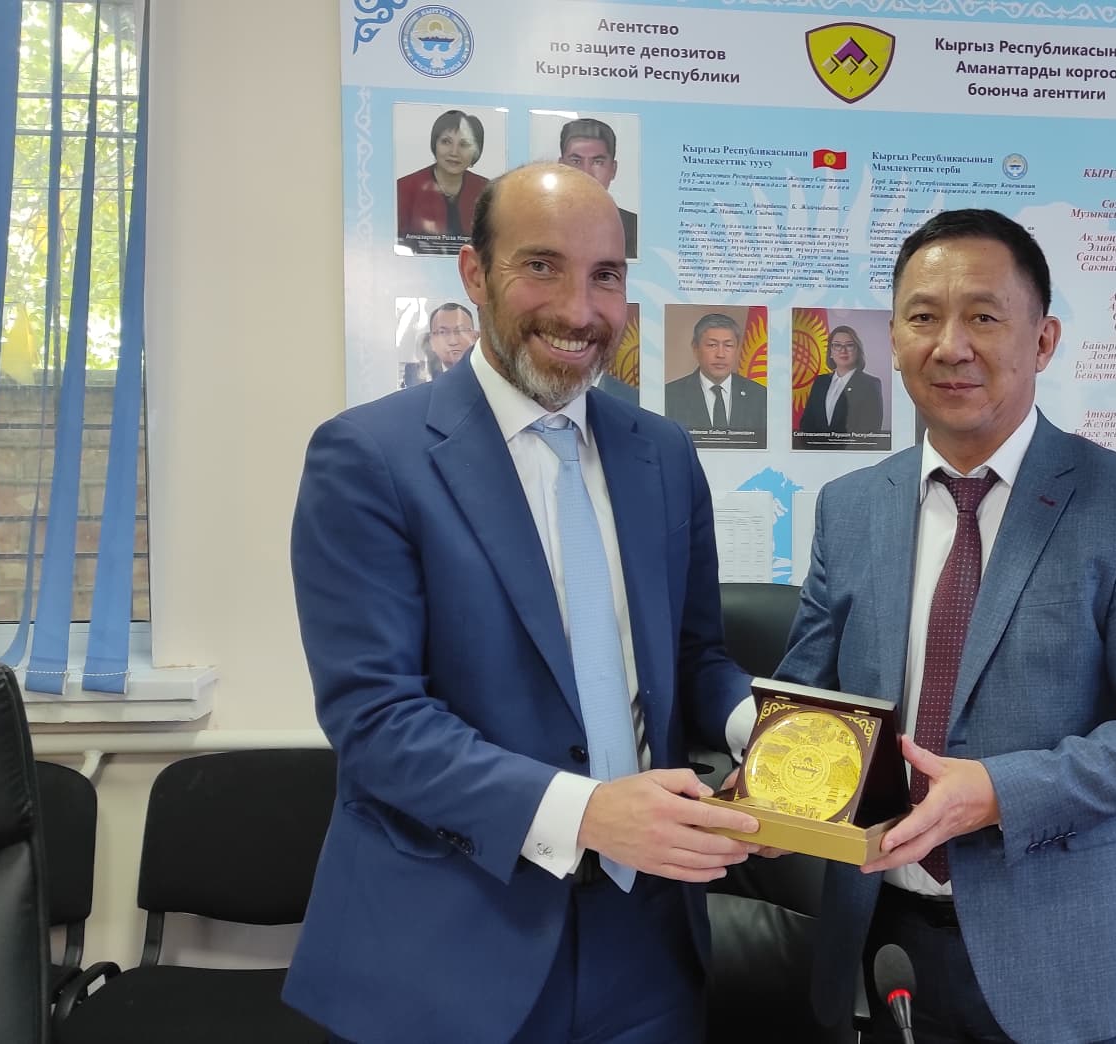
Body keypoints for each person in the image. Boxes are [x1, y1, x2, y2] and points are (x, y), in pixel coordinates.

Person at [288, 164, 763, 1044]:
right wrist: (588, 813)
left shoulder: (662, 453)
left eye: (606, 276)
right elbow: (377, 719)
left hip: (649, 940)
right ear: (474, 274)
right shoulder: (370, 458)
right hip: (450, 945)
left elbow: (696, 655)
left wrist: (766, 740)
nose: (579, 310)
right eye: (542, 266)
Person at [773, 208, 1116, 1043]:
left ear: (1043, 340)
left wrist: (1000, 793)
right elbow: (811, 699)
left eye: (983, 316)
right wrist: (775, 793)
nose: (951, 346)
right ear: (894, 338)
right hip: (885, 951)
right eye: (923, 317)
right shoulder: (850, 508)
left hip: (1074, 961)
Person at [397, 109, 489, 254]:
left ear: (476, 151)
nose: (454, 152)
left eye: (464, 144)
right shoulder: (404, 188)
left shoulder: (487, 191)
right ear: (435, 144)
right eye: (446, 142)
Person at [662, 312, 766, 436]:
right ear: (695, 348)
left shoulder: (760, 396)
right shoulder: (669, 396)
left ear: (737, 349)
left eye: (728, 345)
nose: (720, 354)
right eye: (712, 345)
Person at [559, 117, 638, 256]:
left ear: (613, 169)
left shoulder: (634, 227)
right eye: (576, 161)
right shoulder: (539, 223)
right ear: (560, 167)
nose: (586, 173)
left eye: (597, 162)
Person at [797, 324, 886, 435]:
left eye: (849, 345)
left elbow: (870, 431)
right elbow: (806, 424)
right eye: (837, 345)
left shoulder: (870, 384)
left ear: (857, 351)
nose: (843, 350)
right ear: (830, 352)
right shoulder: (820, 382)